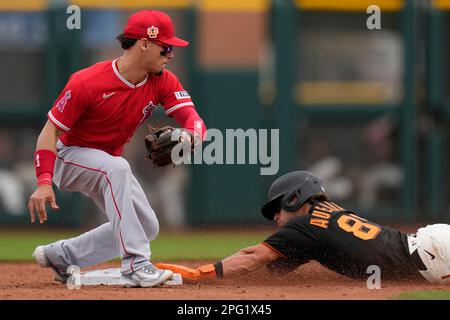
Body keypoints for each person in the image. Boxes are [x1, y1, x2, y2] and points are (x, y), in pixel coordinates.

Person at [28, 9, 206, 288]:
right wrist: (43, 182)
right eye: (166, 47)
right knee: (118, 168)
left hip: (107, 164)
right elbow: (49, 132)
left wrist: (192, 135)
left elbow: (192, 118)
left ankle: (62, 255)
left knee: (147, 226)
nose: (170, 54)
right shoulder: (87, 81)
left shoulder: (163, 81)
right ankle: (135, 263)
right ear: (144, 44)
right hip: (69, 158)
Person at [156, 171, 450, 285]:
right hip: (428, 247)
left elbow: (254, 257)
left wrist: (202, 273)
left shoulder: (306, 227)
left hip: (432, 254)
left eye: (277, 209)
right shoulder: (326, 215)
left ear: (295, 199)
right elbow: (269, 268)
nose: (276, 218)